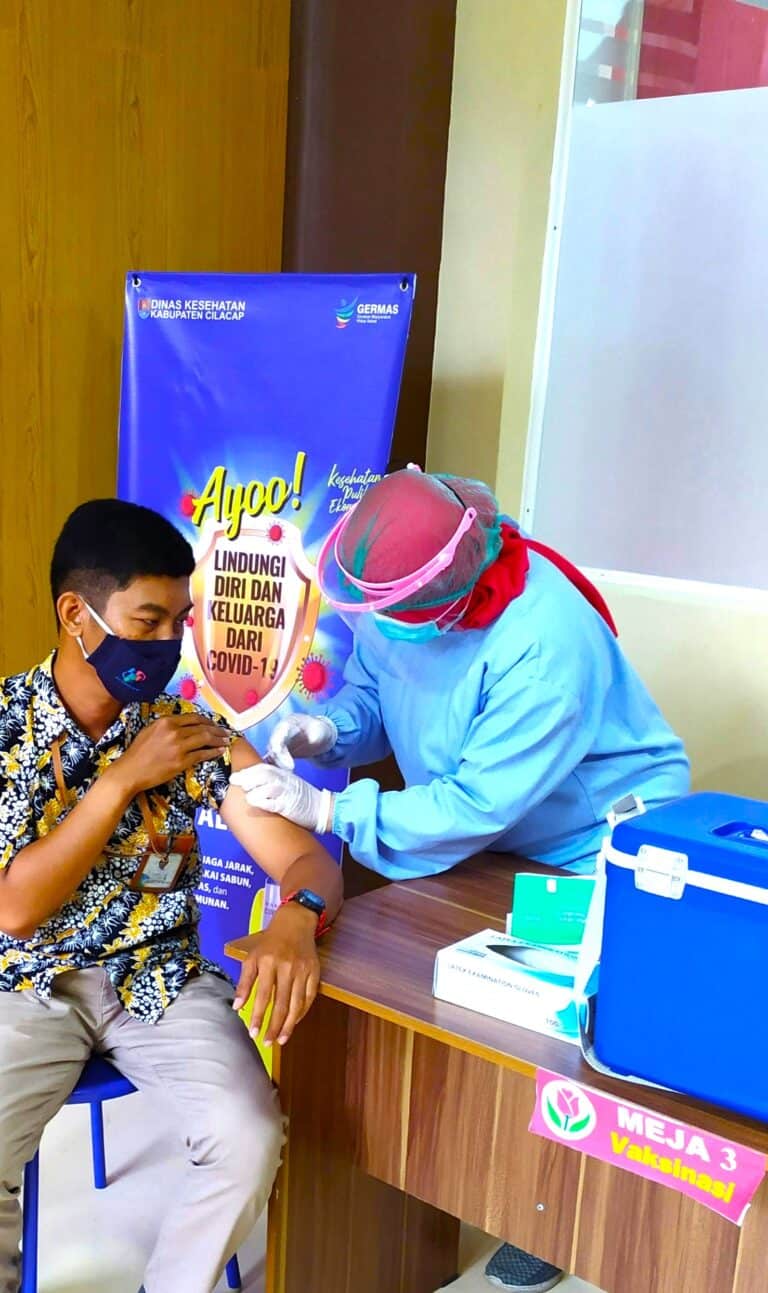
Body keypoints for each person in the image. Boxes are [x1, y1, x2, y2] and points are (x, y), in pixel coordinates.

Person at [232, 466, 689, 1293]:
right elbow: (377, 686)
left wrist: (332, 813)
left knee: (562, 1034)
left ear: (443, 597)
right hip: (491, 826)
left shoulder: (545, 639)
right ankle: (454, 1182)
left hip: (593, 839)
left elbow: (476, 801)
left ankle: (557, 1217)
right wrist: (327, 729)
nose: (379, 625)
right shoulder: (395, 595)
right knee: (440, 1005)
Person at [0, 499, 342, 1293]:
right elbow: (15, 908)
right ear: (75, 614)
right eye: (146, 620)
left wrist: (299, 915)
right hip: (24, 983)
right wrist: (122, 779)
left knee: (249, 1133)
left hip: (157, 980)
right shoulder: (8, 729)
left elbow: (305, 859)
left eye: (178, 624)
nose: (165, 647)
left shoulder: (193, 732)